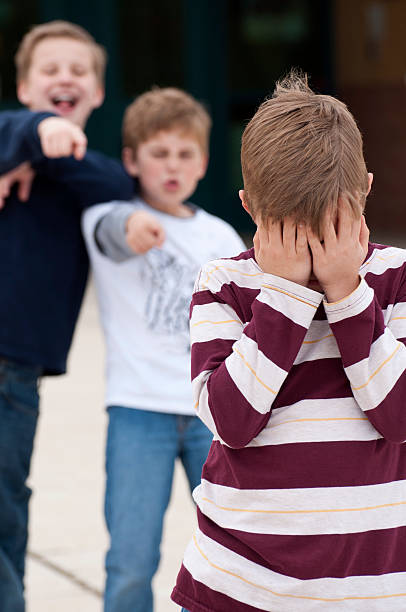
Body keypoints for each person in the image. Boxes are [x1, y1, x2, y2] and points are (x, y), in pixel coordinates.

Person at [171, 71, 406, 612]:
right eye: (290, 231)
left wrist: (348, 294)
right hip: (239, 584)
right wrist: (283, 296)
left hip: (374, 591)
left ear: (366, 191)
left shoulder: (395, 279)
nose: (313, 251)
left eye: (329, 226)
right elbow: (232, 421)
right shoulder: (224, 284)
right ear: (251, 209)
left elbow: (397, 416)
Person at [81, 86, 246, 612]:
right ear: (131, 159)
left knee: (236, 546)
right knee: (130, 560)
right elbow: (109, 231)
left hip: (209, 414)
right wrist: (131, 225)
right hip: (137, 411)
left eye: (184, 154)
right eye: (158, 154)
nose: (171, 166)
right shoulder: (109, 216)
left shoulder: (220, 234)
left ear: (202, 163)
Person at [0, 20, 133, 611]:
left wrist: (46, 156)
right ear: (24, 87)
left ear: (98, 94)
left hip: (14, 373)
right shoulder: (12, 132)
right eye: (50, 70)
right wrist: (34, 133)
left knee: (5, 504)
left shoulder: (88, 175)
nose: (65, 78)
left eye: (79, 71)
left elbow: (119, 184)